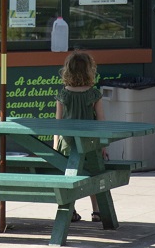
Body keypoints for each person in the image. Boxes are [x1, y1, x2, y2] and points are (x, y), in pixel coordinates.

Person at [53, 51, 103, 222]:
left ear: (68, 70)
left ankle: (70, 210)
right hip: (90, 144)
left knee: (69, 176)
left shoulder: (63, 95)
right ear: (89, 70)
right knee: (94, 175)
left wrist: (55, 144)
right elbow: (101, 122)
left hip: (67, 144)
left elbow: (57, 124)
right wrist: (103, 145)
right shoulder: (94, 94)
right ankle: (96, 211)